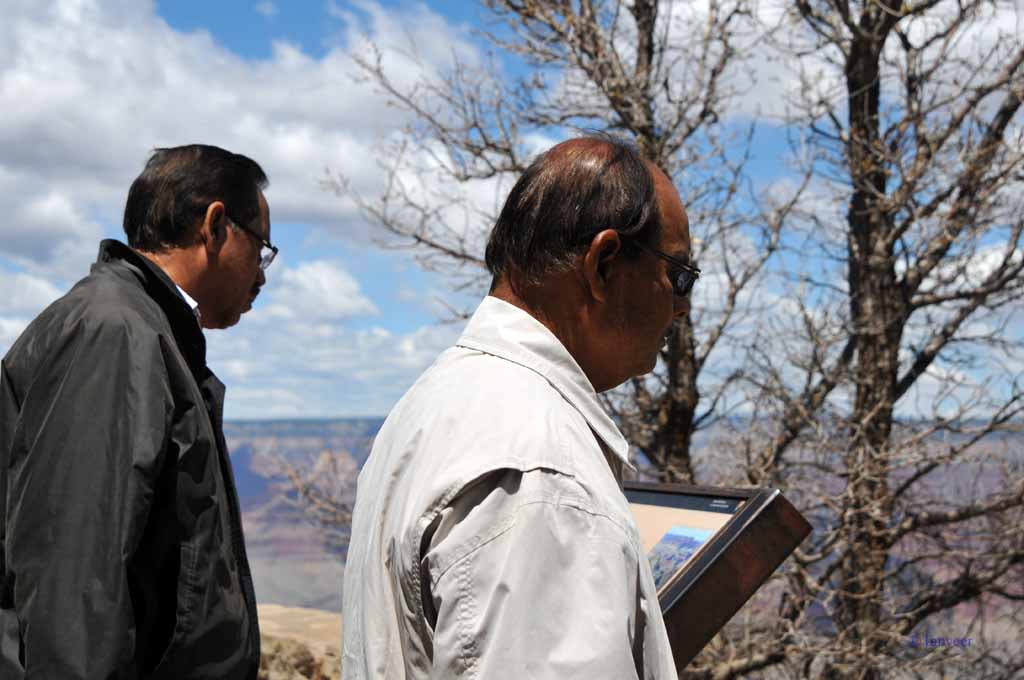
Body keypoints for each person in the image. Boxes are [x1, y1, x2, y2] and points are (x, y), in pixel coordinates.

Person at [342, 135, 699, 679]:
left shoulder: (433, 402)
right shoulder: (545, 476)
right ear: (603, 263)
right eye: (678, 275)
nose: (681, 305)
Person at [0, 144, 276, 678]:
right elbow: (75, 581)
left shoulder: (141, 329)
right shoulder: (114, 334)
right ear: (215, 226)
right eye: (261, 248)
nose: (261, 276)